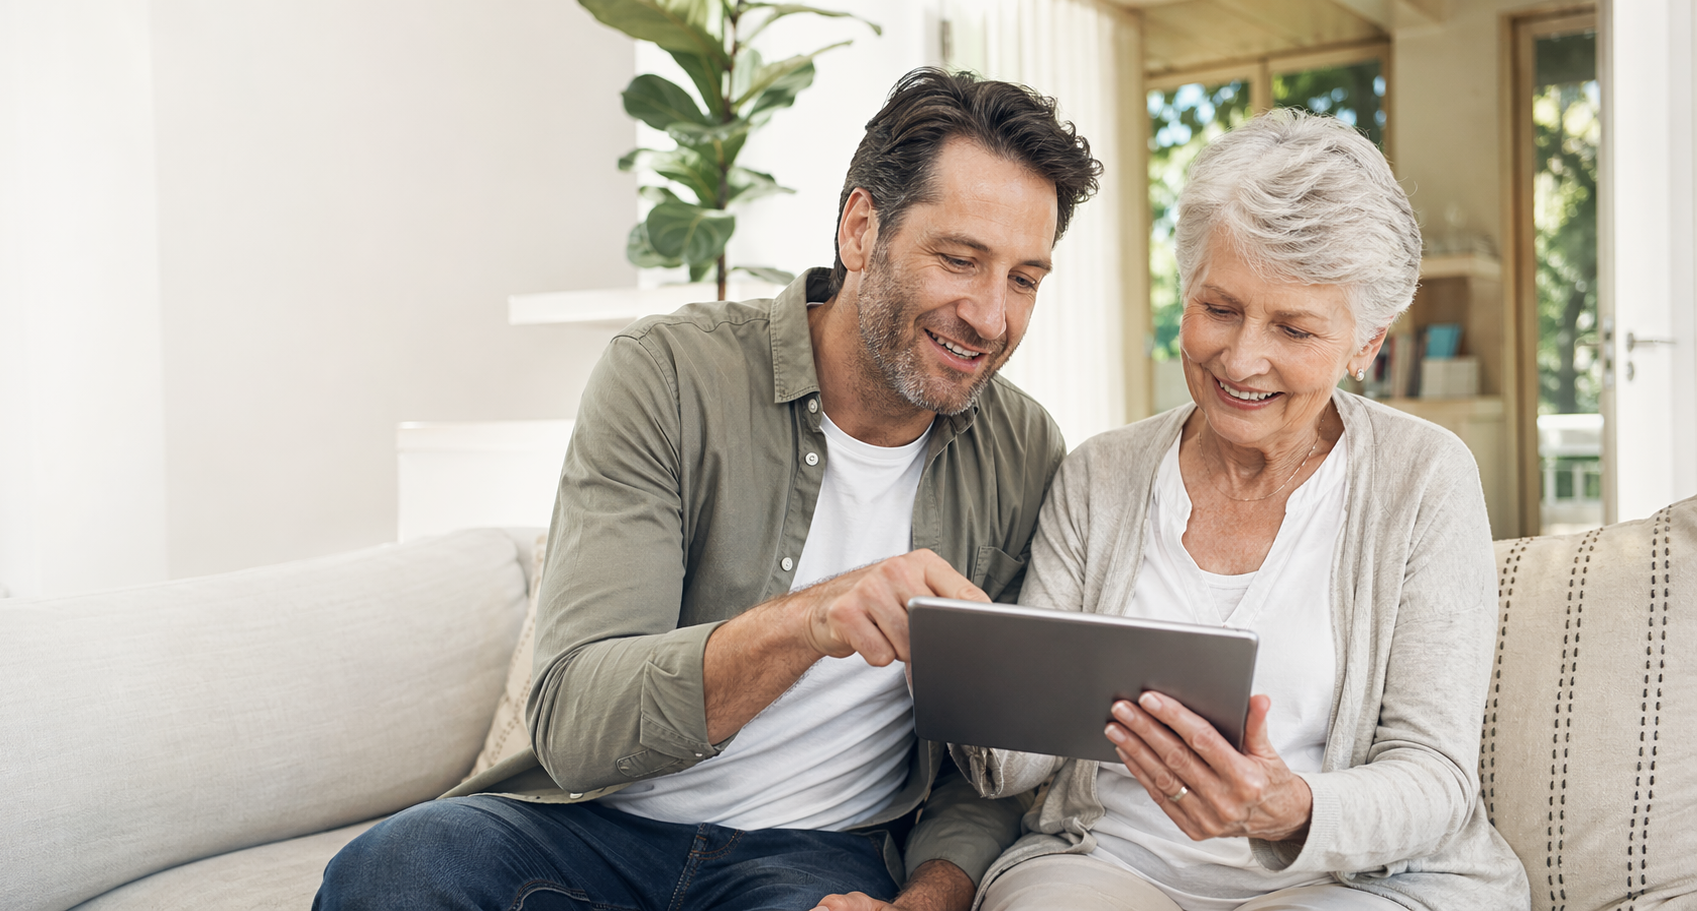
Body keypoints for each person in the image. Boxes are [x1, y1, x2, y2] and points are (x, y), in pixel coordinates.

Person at [313, 68, 1101, 911]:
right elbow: (577, 722)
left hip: (816, 858)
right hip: (598, 826)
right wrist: (814, 618)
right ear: (862, 229)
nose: (989, 316)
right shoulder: (667, 378)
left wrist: (930, 896)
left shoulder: (1022, 451)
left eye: (1023, 279)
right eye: (959, 260)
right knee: (395, 869)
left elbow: (983, 768)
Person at [953, 109, 1531, 911]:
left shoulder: (1424, 478)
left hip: (1341, 880)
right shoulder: (1100, 473)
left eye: (1293, 327)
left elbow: (1433, 775)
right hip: (1109, 862)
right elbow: (1017, 760)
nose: (1242, 356)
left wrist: (1287, 806)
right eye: (1219, 308)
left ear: (1366, 343)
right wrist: (962, 655)